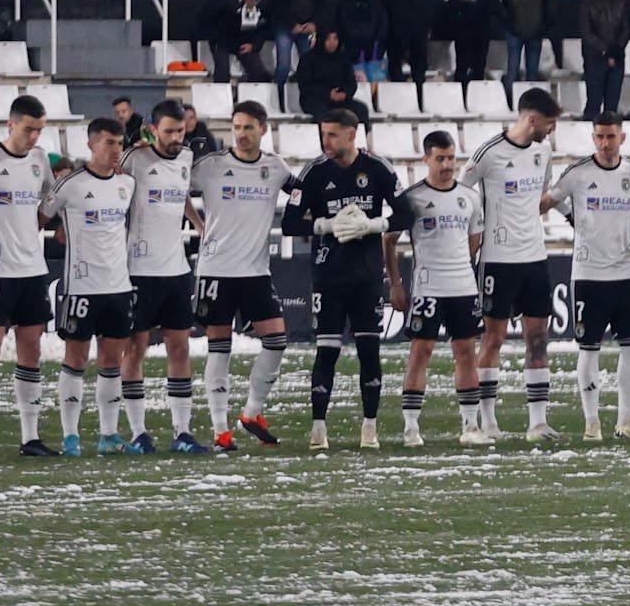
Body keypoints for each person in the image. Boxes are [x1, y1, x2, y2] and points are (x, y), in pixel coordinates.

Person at [549, 115, 630, 441]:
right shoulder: (578, 173)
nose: (605, 143)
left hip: (625, 272)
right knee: (589, 349)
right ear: (593, 138)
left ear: (621, 138)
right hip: (588, 275)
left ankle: (626, 421)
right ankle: (591, 423)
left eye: (610, 137)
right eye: (600, 137)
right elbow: (550, 200)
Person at [291, 105, 403, 452]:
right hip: (328, 274)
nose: (325, 140)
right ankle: (318, 428)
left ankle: (370, 427)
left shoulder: (377, 168)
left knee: (370, 352)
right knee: (326, 353)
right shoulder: (314, 172)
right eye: (323, 133)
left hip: (367, 275)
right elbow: (290, 223)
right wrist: (325, 225)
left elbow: (407, 214)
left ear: (352, 135)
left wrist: (374, 224)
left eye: (332, 134)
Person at [191, 98, 295, 449]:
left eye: (249, 127)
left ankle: (251, 412)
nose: (241, 134)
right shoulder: (211, 166)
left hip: (255, 272)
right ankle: (221, 429)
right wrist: (196, 222)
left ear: (263, 129)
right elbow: (173, 187)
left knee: (277, 339)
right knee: (219, 348)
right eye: (236, 127)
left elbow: (303, 194)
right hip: (215, 271)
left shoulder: (276, 168)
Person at [470, 88, 568, 441]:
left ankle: (538, 423)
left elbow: (539, 198)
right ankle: (488, 421)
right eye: (550, 123)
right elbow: (461, 193)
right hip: (498, 260)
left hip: (535, 259)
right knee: (493, 338)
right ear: (532, 119)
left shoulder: (544, 151)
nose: (551, 131)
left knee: (538, 338)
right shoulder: (488, 153)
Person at [41, 116, 141, 456]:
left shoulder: (126, 184)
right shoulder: (68, 185)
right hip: (80, 288)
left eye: (119, 143)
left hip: (118, 286)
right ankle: (70, 436)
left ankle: (109, 434)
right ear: (91, 144)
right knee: (76, 358)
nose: (116, 150)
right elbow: (40, 219)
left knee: (112, 360)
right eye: (108, 143)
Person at [0, 96, 58, 457]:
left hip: (33, 270)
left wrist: (37, 225)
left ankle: (30, 437)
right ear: (11, 125)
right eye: (29, 129)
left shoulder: (39, 161)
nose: (34, 136)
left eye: (39, 130)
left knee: (31, 349)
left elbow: (51, 197)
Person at [123, 102, 214, 453]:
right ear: (152, 129)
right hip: (140, 270)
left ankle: (182, 432)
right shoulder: (134, 160)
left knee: (180, 346)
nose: (176, 138)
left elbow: (179, 197)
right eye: (169, 131)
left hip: (176, 268)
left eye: (181, 131)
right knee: (136, 349)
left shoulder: (187, 157)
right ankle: (138, 432)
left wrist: (197, 221)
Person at [391, 130, 489, 447]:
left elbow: (474, 241)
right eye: (440, 158)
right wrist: (395, 283)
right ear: (426, 159)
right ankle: (410, 428)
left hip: (463, 286)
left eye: (451, 158)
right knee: (421, 352)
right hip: (427, 288)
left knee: (466, 354)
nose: (447, 164)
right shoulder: (412, 198)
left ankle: (470, 426)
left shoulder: (469, 197)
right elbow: (389, 240)